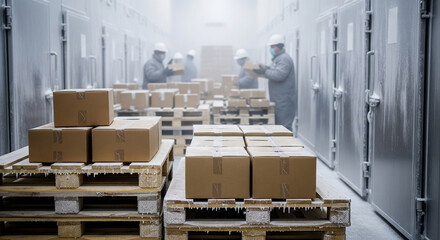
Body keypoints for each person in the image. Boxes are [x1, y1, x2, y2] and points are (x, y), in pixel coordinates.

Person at [253, 34, 295, 131]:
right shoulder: (278, 59)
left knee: (284, 128)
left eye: (273, 47)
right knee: (279, 127)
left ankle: (287, 146)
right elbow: (275, 71)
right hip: (279, 99)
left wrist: (265, 72)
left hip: (284, 100)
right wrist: (266, 69)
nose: (271, 49)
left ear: (279, 46)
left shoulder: (284, 59)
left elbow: (279, 75)